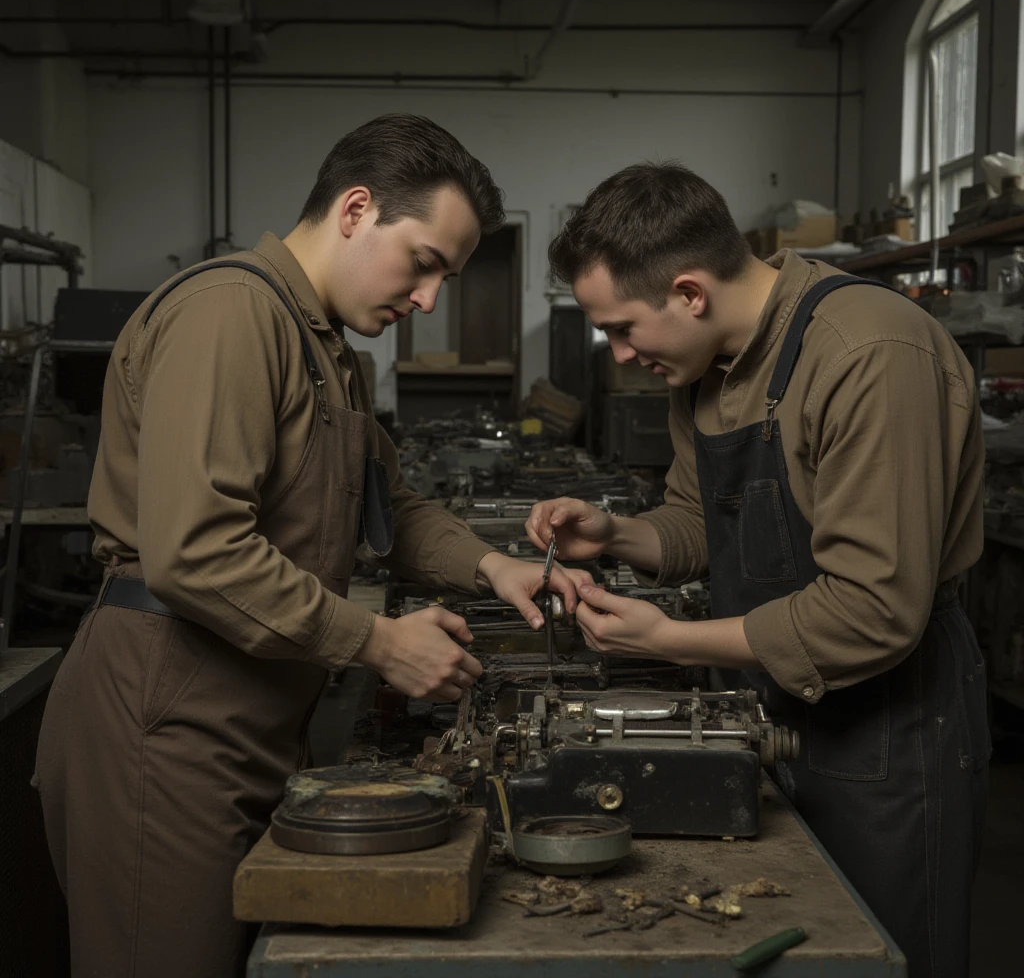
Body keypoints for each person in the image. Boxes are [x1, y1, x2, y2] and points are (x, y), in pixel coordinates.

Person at [34, 113, 584, 978]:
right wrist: (377, 643)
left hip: (252, 711)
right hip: (167, 716)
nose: (430, 299)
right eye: (426, 263)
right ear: (357, 209)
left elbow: (387, 505)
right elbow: (196, 551)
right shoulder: (230, 312)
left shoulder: (326, 347)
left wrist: (493, 563)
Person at [528, 162, 990, 978]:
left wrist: (668, 637)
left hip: (888, 723)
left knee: (881, 955)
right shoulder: (703, 368)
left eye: (624, 328)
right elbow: (701, 526)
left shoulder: (865, 352)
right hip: (766, 701)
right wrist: (615, 534)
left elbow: (872, 611)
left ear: (691, 292)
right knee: (776, 932)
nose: (621, 353)